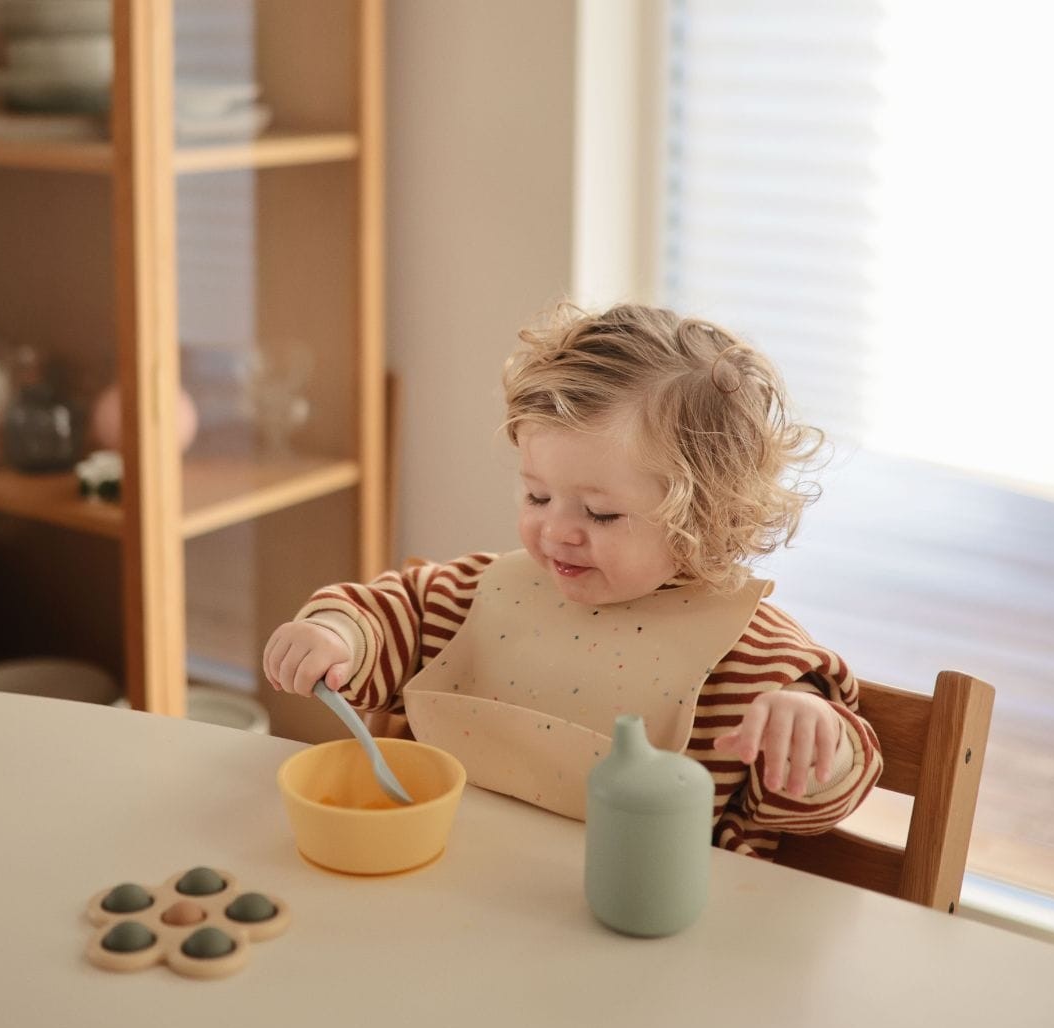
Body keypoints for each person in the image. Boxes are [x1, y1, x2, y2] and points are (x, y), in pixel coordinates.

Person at [263, 302, 882, 857]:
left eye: (600, 513)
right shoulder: (479, 596)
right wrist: (339, 634)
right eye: (537, 495)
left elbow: (814, 808)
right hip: (449, 890)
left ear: (708, 518)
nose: (556, 532)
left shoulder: (755, 662)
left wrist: (812, 738)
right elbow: (392, 614)